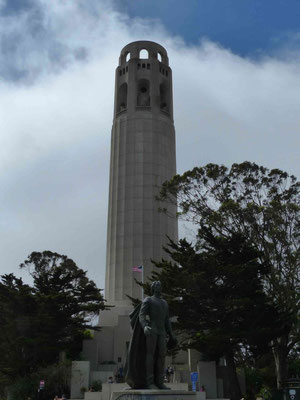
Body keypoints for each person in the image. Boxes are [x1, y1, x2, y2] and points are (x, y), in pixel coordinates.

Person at [125, 281, 177, 389]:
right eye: (157, 285)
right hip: (152, 330)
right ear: (153, 288)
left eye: (160, 285)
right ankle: (150, 382)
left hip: (162, 332)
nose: (159, 287)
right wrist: (144, 326)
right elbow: (142, 315)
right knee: (150, 355)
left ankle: (160, 382)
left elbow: (167, 320)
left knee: (161, 356)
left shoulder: (164, 303)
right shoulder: (148, 300)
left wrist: (171, 333)